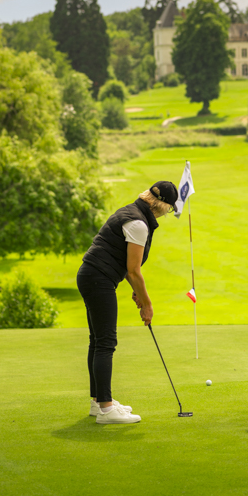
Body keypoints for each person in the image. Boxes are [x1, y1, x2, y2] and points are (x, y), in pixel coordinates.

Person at [77, 181, 178, 425]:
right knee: (106, 343)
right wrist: (147, 303)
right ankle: (106, 409)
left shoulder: (130, 211)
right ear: (162, 206)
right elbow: (134, 271)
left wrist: (136, 291)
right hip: (98, 280)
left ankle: (98, 402)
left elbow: (124, 263)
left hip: (91, 276)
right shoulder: (138, 223)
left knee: (98, 341)